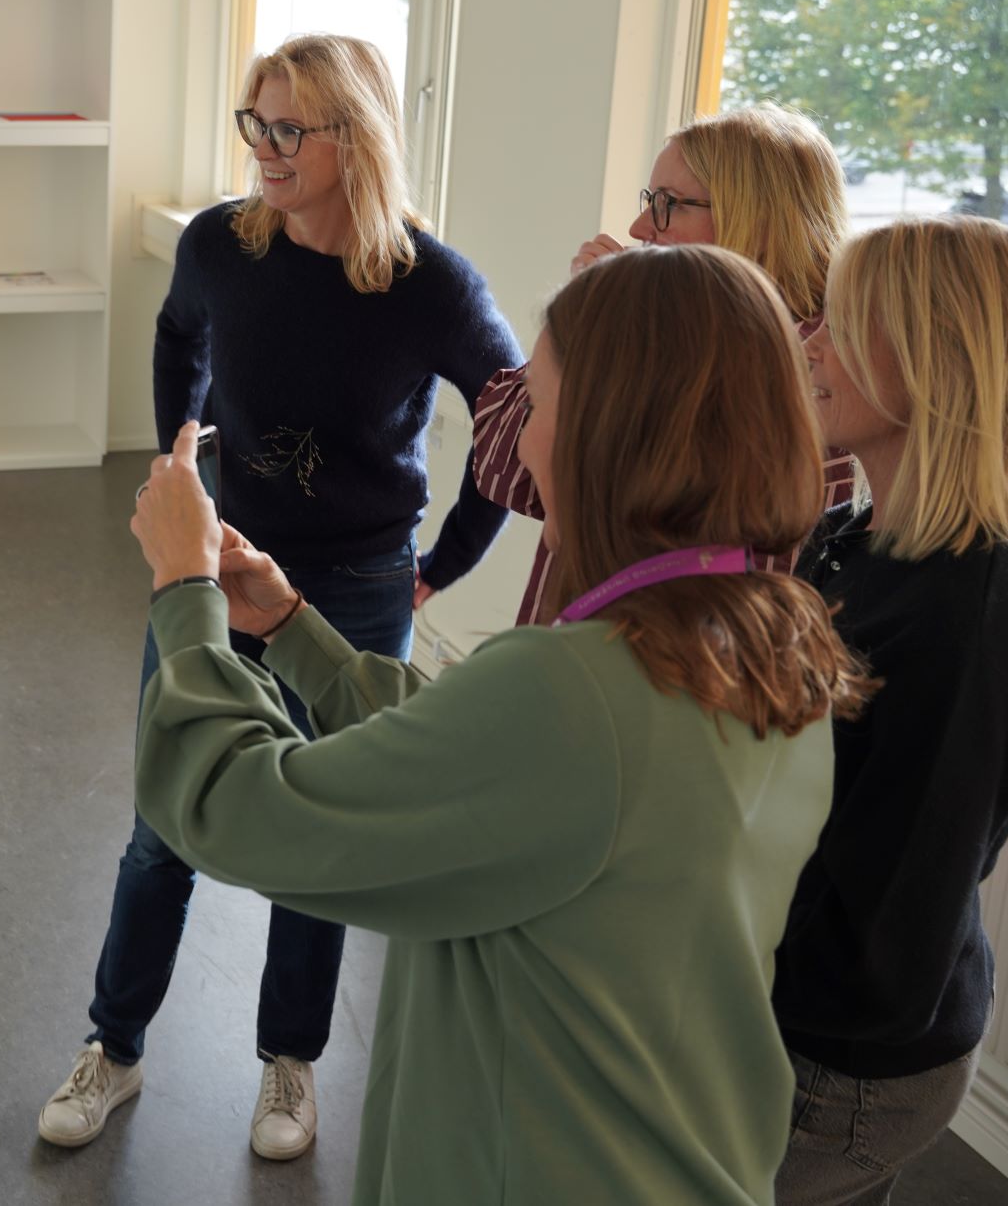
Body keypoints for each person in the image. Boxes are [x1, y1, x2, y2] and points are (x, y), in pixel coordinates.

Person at [128, 244, 872, 1205]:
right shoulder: (771, 640)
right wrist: (290, 626)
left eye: (542, 408)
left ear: (613, 439)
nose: (520, 446)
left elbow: (239, 808)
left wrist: (183, 588)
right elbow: (472, 752)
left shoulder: (578, 693)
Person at [38, 34, 522, 1159]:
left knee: (324, 829)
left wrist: (440, 563)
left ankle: (288, 1064)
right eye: (253, 122)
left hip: (353, 586)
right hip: (216, 570)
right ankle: (114, 1046)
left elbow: (510, 427)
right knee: (165, 821)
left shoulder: (429, 284)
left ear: (355, 138)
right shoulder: (220, 242)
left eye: (287, 128)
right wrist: (181, 468)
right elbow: (176, 335)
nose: (261, 147)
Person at [774, 216, 1008, 1205]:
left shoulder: (977, 625)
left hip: (837, 1068)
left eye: (843, 322)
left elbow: (882, 944)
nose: (809, 345)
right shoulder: (852, 537)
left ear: (938, 363)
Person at [469, 103, 856, 624]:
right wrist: (588, 323)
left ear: (758, 219)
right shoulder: (661, 329)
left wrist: (617, 328)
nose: (638, 225)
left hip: (665, 676)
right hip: (584, 660)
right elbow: (502, 468)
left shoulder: (820, 374)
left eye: (669, 204)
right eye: (650, 200)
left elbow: (759, 576)